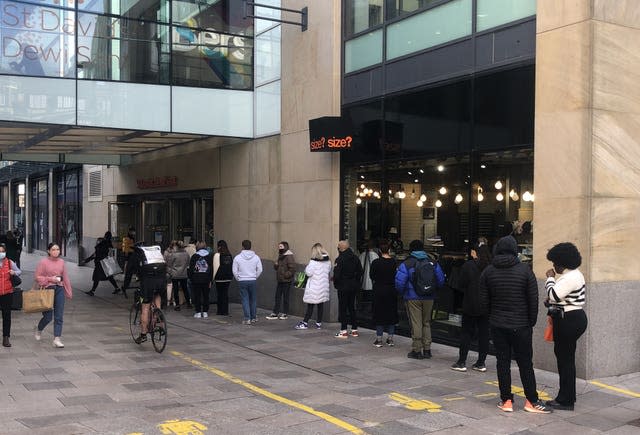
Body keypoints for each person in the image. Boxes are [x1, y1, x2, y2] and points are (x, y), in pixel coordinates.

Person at [479, 235, 552, 414]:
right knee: (525, 363)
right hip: (521, 325)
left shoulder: (488, 271)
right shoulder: (525, 271)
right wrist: (530, 322)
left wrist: (492, 317)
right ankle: (532, 401)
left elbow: (483, 301)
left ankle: (506, 401)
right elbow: (532, 300)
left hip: (498, 324)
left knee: (502, 362)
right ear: (515, 250)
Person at [544, 242, 588, 411]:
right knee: (566, 359)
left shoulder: (570, 277)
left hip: (568, 320)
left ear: (563, 262)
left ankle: (565, 400)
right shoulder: (575, 274)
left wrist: (549, 278)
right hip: (572, 318)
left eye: (555, 263)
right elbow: (562, 298)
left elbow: (553, 295)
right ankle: (568, 396)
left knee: (565, 360)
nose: (554, 266)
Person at [395, 240, 445, 359]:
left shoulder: (407, 263)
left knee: (416, 323)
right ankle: (427, 350)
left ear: (411, 250)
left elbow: (399, 282)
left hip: (412, 297)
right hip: (429, 297)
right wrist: (433, 289)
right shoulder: (432, 262)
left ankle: (417, 350)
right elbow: (441, 280)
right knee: (426, 322)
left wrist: (403, 294)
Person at [451, 240, 492, 372]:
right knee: (484, 334)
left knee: (466, 333)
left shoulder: (469, 265)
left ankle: (462, 361)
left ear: (475, 252)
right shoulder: (491, 267)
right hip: (486, 305)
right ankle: (481, 363)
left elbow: (461, 283)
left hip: (470, 303)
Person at [34, 243, 73, 348]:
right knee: (48, 317)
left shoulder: (61, 262)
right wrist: (51, 279)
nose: (56, 251)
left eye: (57, 249)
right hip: (47, 289)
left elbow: (65, 277)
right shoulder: (43, 262)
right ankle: (39, 329)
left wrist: (68, 291)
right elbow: (37, 277)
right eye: (53, 249)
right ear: (48, 251)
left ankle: (57, 338)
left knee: (59, 316)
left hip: (59, 289)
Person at [295, 243, 331, 330]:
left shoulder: (313, 262)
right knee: (320, 305)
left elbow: (308, 273)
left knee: (310, 305)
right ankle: (318, 323)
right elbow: (328, 271)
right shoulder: (328, 261)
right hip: (323, 286)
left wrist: (307, 267)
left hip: (314, 286)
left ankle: (305, 322)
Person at [369, 240, 398, 347]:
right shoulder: (394, 262)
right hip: (391, 289)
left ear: (379, 251)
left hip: (379, 289)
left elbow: (371, 276)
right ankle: (390, 339)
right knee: (391, 313)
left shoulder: (376, 262)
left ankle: (379, 339)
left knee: (379, 313)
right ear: (389, 250)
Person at [333, 240, 363, 338]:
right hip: (353, 286)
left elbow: (336, 275)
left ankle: (343, 330)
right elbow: (360, 272)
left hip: (343, 286)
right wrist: (355, 282)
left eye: (338, 247)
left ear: (341, 248)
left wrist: (336, 283)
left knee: (343, 308)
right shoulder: (355, 258)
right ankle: (354, 329)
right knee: (351, 307)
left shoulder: (340, 259)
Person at [232, 240, 263, 325]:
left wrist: (238, 278)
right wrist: (254, 276)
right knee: (253, 299)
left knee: (245, 299)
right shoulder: (256, 257)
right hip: (252, 280)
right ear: (250, 246)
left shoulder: (237, 257)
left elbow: (234, 270)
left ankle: (247, 318)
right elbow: (260, 269)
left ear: (242, 246)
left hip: (242, 280)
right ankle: (253, 317)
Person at [83, 232, 121, 296]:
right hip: (105, 263)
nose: (97, 242)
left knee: (96, 278)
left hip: (100, 264)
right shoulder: (108, 244)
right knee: (109, 277)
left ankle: (92, 291)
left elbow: (95, 255)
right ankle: (117, 288)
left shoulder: (101, 245)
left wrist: (86, 260)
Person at [266, 241, 296, 320]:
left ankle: (285, 313)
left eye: (281, 247)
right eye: (279, 247)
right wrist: (276, 265)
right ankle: (275, 313)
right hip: (280, 280)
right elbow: (278, 268)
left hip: (286, 280)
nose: (279, 248)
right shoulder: (281, 255)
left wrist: (286, 275)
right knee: (277, 296)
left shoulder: (289, 256)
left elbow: (292, 268)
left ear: (285, 247)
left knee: (285, 297)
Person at [0, 243, 21, 347]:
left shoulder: (9, 262)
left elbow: (19, 271)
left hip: (7, 293)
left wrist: (14, 272)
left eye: (3, 251)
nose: (1, 253)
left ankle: (6, 337)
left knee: (6, 316)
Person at [188, 241, 213, 318]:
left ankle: (198, 312)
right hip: (206, 279)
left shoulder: (194, 256)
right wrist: (210, 280)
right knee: (206, 296)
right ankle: (205, 311)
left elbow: (191, 269)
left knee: (197, 296)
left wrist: (191, 278)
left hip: (196, 279)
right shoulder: (209, 256)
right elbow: (211, 269)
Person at [167, 241, 190, 311]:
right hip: (184, 274)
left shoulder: (173, 255)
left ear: (176, 246)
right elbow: (188, 263)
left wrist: (170, 272)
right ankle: (188, 303)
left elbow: (169, 264)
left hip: (175, 274)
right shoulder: (186, 254)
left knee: (176, 290)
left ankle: (177, 305)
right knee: (185, 289)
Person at [213, 240, 233, 316]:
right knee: (225, 294)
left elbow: (215, 267)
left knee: (219, 294)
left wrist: (212, 278)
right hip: (228, 277)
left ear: (219, 247)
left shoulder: (217, 255)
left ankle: (220, 310)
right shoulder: (229, 255)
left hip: (219, 278)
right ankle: (225, 311)